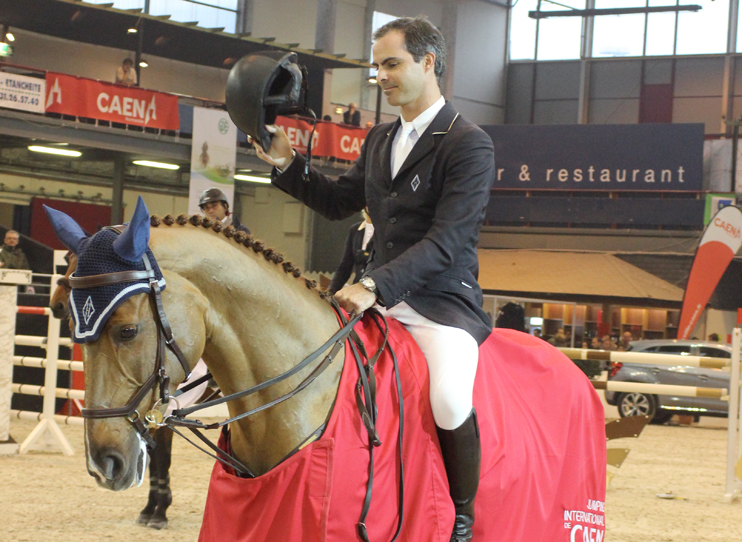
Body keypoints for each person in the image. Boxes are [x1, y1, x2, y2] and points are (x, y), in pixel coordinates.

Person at [253, 17, 494, 542]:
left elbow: (448, 240)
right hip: (374, 297)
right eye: (377, 66)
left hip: (441, 303)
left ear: (428, 62)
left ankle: (462, 516)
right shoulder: (382, 136)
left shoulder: (469, 144)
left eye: (391, 64)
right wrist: (288, 165)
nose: (380, 76)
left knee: (451, 396)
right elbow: (341, 202)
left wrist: (376, 286)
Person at [327, 209, 373, 295]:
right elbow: (345, 267)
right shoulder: (355, 230)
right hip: (356, 291)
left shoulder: (386, 231)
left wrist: (365, 256)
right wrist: (331, 291)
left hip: (375, 295)